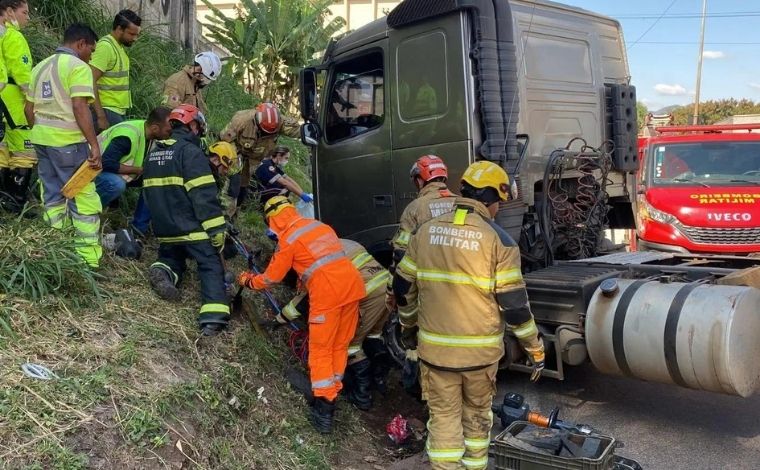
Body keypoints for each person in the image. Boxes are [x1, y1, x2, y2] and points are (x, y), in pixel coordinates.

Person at [393, 161, 545, 470]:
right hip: (479, 357)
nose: (499, 209)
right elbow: (515, 307)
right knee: (477, 419)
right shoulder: (499, 241)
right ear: (491, 198)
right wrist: (535, 349)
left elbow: (402, 287)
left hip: (435, 355)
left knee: (444, 420)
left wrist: (409, 329)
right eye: (500, 201)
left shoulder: (424, 232)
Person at [237, 196, 365, 434]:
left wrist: (247, 280)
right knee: (340, 345)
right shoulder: (319, 226)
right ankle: (332, 390)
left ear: (273, 219)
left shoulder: (289, 239)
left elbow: (271, 278)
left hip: (328, 296)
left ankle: (324, 409)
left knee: (321, 350)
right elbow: (324, 261)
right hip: (353, 288)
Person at [142, 104, 229, 336]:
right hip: (191, 228)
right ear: (192, 126)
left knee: (172, 255)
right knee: (209, 264)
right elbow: (203, 197)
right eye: (198, 127)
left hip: (165, 230)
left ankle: (163, 271)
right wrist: (216, 230)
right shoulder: (190, 153)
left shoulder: (153, 154)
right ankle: (213, 317)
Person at [280, 239, 391, 411]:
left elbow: (302, 300)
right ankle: (379, 381)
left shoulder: (312, 259)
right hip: (386, 287)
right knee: (373, 336)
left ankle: (362, 396)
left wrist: (280, 319)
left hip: (366, 292)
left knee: (349, 344)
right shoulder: (336, 242)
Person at [25, 23, 102, 267]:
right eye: (92, 49)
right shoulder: (78, 67)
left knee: (52, 196)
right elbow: (80, 106)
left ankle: (56, 250)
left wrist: (40, 130)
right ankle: (88, 260)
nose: (91, 55)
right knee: (83, 197)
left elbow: (29, 109)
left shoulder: (39, 67)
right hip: (68, 144)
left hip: (42, 141)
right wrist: (94, 145)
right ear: (81, 44)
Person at [386, 155, 456, 308]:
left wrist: (391, 291)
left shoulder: (415, 208)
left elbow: (400, 254)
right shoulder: (460, 203)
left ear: (419, 180)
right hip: (461, 286)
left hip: (428, 287)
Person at [94, 106, 171, 227]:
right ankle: (89, 212)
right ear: (155, 128)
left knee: (154, 180)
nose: (170, 134)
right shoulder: (128, 136)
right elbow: (107, 162)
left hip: (112, 171)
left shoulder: (149, 133)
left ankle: (138, 228)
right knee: (116, 184)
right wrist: (138, 170)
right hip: (91, 172)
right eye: (168, 131)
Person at [220, 102, 300, 204]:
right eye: (264, 131)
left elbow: (297, 131)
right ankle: (227, 208)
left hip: (255, 158)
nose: (266, 134)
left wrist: (310, 132)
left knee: (243, 185)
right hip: (237, 152)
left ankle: (238, 207)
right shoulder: (242, 120)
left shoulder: (280, 122)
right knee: (233, 184)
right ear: (257, 121)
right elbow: (224, 140)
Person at [0, 0, 34, 212]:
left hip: (2, 101)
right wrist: (32, 99)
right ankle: (15, 203)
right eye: (24, 12)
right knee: (25, 151)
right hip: (13, 103)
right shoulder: (13, 36)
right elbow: (22, 75)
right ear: (10, 11)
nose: (27, 17)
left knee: (2, 150)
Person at [89, 9, 141, 132]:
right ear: (119, 29)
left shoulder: (118, 47)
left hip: (115, 111)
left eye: (137, 35)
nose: (135, 39)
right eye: (132, 34)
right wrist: (100, 115)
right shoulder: (105, 47)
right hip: (107, 110)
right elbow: (90, 81)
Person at [207, 140, 241, 219]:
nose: (226, 171)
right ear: (216, 160)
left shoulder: (211, 172)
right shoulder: (205, 175)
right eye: (225, 167)